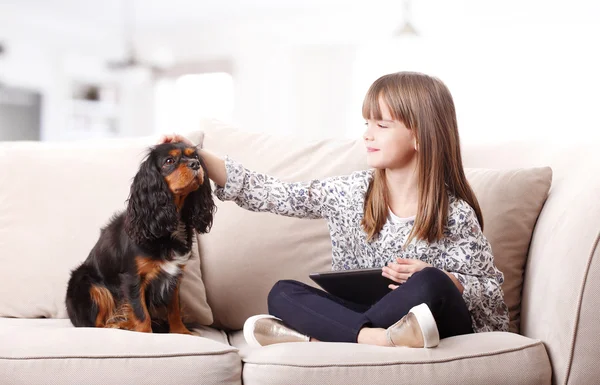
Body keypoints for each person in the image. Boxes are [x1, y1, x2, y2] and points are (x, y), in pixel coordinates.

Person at [160, 71, 509, 348]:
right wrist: (198, 155)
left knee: (429, 282)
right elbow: (273, 193)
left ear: (421, 137)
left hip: (433, 321)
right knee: (281, 292)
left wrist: (448, 279)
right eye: (366, 124)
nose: (367, 136)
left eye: (381, 125)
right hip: (369, 316)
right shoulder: (349, 192)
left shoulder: (455, 213)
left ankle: (320, 337)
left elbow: (493, 300)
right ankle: (379, 339)